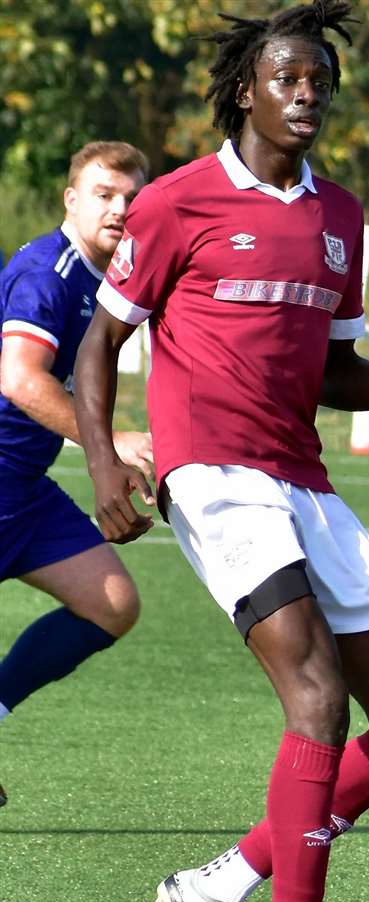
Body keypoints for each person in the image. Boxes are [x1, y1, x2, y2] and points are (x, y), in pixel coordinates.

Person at [74, 0, 369, 902]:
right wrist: (108, 457)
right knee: (318, 698)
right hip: (213, 474)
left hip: (303, 478)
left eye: (320, 83)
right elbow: (102, 344)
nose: (306, 96)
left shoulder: (341, 215)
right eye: (288, 79)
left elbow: (332, 366)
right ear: (246, 87)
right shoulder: (177, 201)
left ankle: (219, 882)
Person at [0, 141, 151, 809]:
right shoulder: (48, 272)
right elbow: (20, 378)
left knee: (112, 601)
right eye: (104, 193)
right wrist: (110, 442)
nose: (119, 208)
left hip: (23, 491)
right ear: (71, 198)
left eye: (131, 198)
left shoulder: (107, 277)